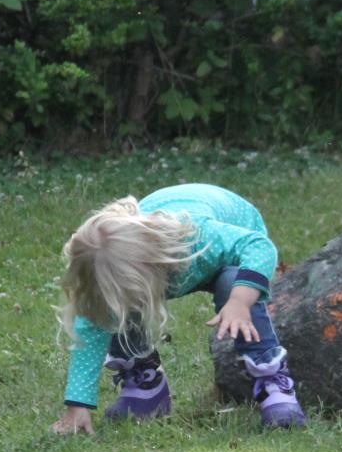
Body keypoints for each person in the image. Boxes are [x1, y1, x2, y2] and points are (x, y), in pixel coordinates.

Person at [50, 186, 307, 434]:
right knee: (116, 305)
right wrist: (77, 406)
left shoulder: (201, 235)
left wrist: (240, 301)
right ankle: (145, 384)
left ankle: (274, 384)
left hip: (228, 250)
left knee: (233, 284)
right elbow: (91, 328)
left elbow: (259, 246)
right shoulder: (117, 270)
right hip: (158, 264)